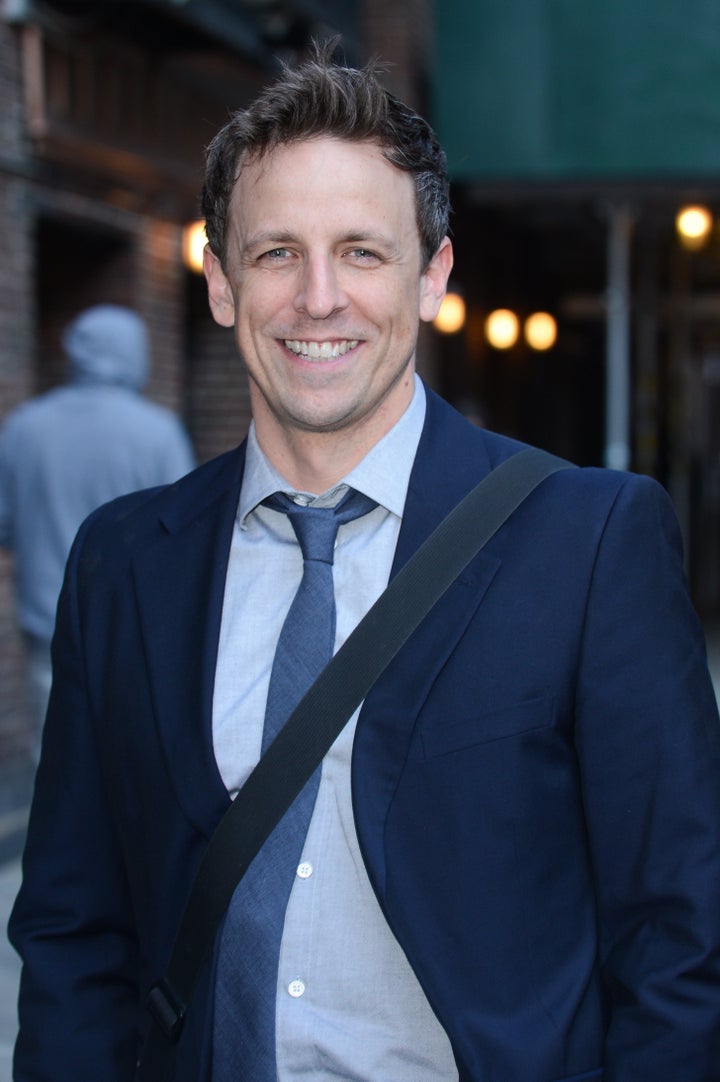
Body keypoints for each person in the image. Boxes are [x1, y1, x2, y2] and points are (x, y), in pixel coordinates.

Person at [9, 44, 720, 1082]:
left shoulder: (591, 541)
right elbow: (75, 930)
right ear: (218, 280)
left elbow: (681, 933)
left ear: (432, 278)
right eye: (276, 253)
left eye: (363, 252)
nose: (319, 297)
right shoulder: (125, 562)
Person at [0, 304, 195, 754]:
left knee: (54, 757)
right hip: (134, 624)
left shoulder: (23, 427)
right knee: (129, 755)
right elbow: (183, 534)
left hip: (45, 619)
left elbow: (5, 525)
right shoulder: (157, 432)